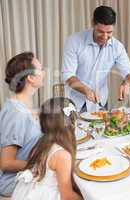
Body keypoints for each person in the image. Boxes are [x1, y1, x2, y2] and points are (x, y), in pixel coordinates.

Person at [62, 5, 130, 112]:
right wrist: (86, 90)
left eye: (109, 32)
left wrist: (127, 83)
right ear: (93, 24)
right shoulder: (74, 41)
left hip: (99, 104)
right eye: (101, 31)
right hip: (73, 103)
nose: (105, 37)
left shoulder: (117, 47)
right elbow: (67, 75)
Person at [12, 97, 82, 200]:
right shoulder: (62, 155)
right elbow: (67, 196)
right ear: (71, 123)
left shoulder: (42, 142)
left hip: (30, 192)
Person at [0, 52, 44, 197]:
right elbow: (6, 163)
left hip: (30, 171)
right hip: (14, 181)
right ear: (30, 78)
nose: (43, 72)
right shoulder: (16, 113)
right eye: (40, 69)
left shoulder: (24, 105)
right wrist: (44, 165)